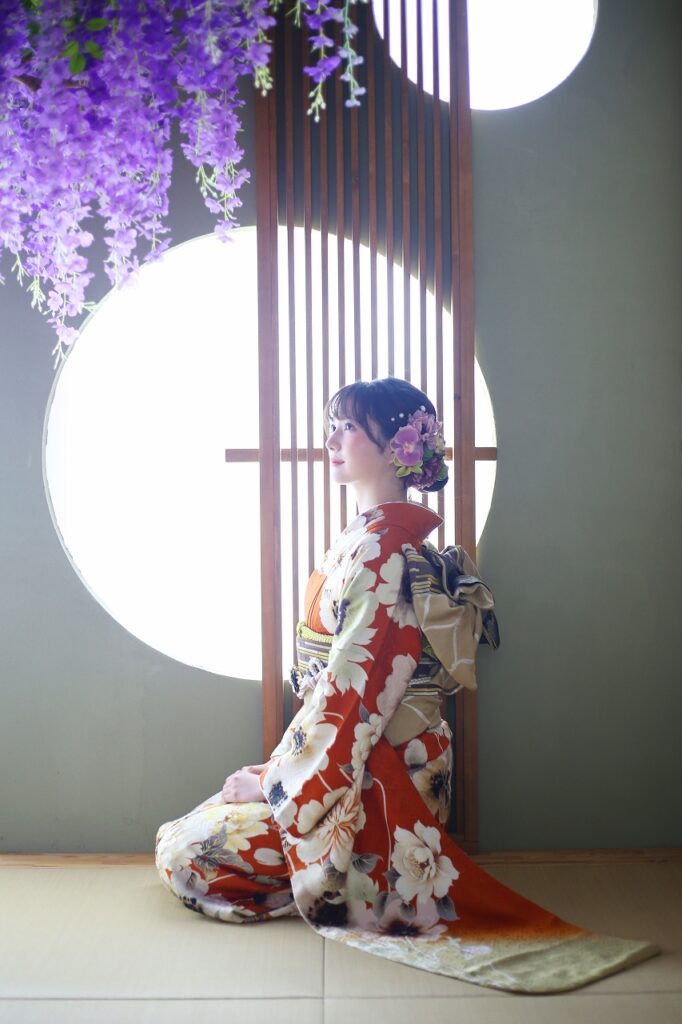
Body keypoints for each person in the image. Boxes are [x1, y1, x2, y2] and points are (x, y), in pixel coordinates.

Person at [155, 377, 656, 993]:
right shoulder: (369, 538)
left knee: (188, 856)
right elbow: (341, 694)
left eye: (348, 429)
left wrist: (272, 782)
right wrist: (279, 774)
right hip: (352, 759)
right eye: (332, 426)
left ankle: (339, 882)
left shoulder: (382, 551)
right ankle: (308, 858)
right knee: (190, 830)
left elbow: (354, 693)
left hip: (387, 781)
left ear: (396, 447)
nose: (331, 441)